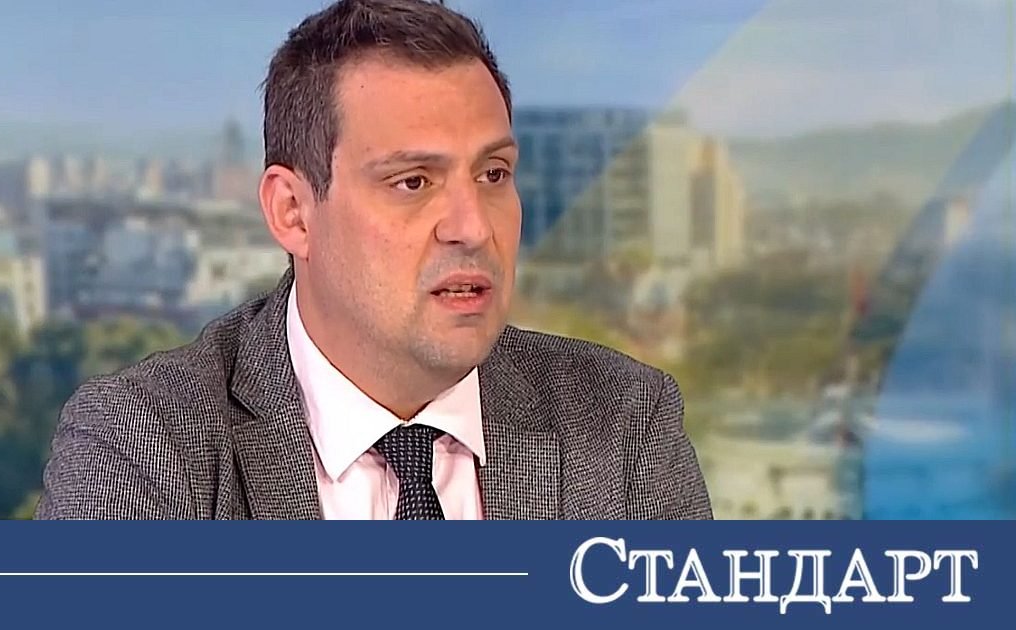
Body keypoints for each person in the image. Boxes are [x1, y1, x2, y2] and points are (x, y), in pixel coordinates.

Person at [35, 0, 712, 520]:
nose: (472, 227)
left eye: (493, 175)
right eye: (413, 182)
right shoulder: (141, 446)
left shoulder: (624, 427)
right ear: (293, 212)